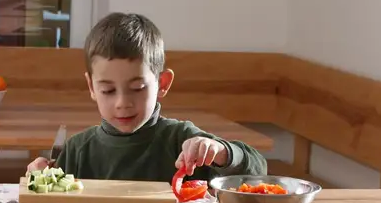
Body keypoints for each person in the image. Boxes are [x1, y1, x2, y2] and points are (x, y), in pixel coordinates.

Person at [25, 12, 267, 181]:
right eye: (108, 90)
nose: (122, 103)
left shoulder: (181, 139)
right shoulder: (77, 151)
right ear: (91, 87)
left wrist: (222, 152)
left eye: (138, 87)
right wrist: (38, 179)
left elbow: (258, 172)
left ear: (163, 84)